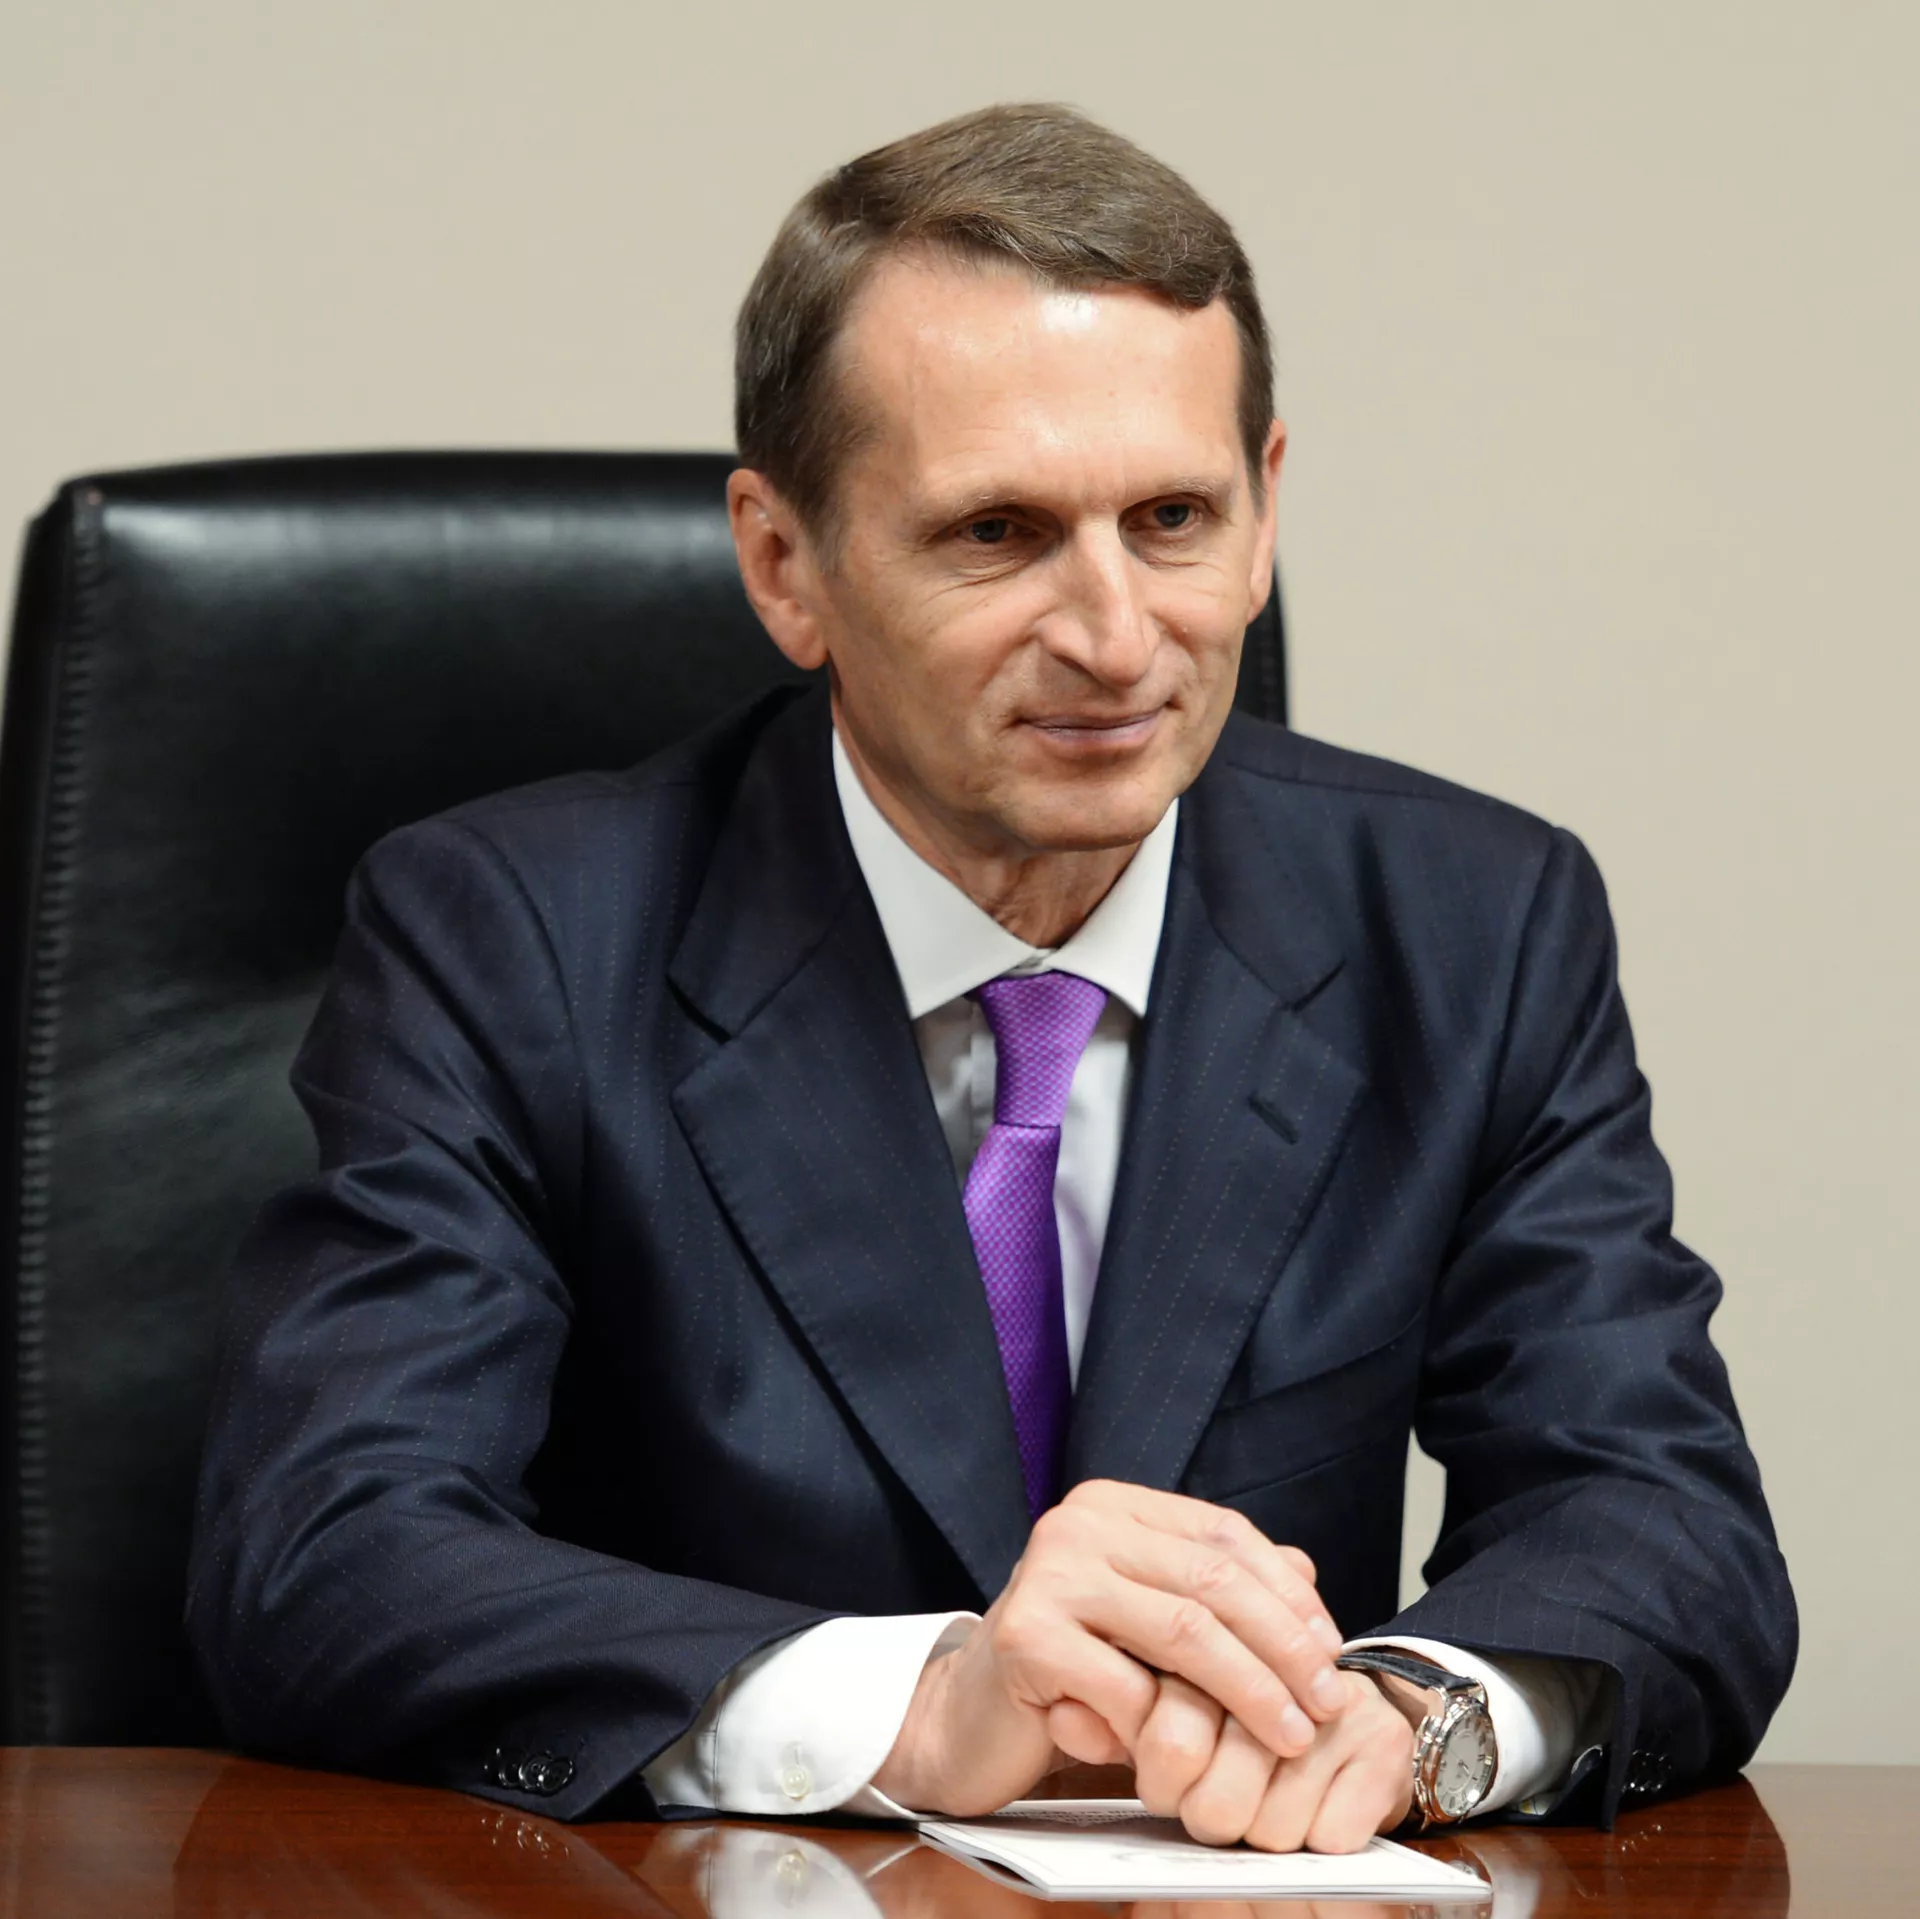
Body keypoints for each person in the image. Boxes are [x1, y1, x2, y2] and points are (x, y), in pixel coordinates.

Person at [186, 104, 1794, 1852]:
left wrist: (1422, 1719)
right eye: (998, 533)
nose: (1115, 635)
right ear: (785, 563)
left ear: (1266, 508)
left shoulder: (1474, 925)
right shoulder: (508, 939)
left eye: (1173, 516)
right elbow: (324, 1549)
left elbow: (1665, 1521)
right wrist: (918, 1702)